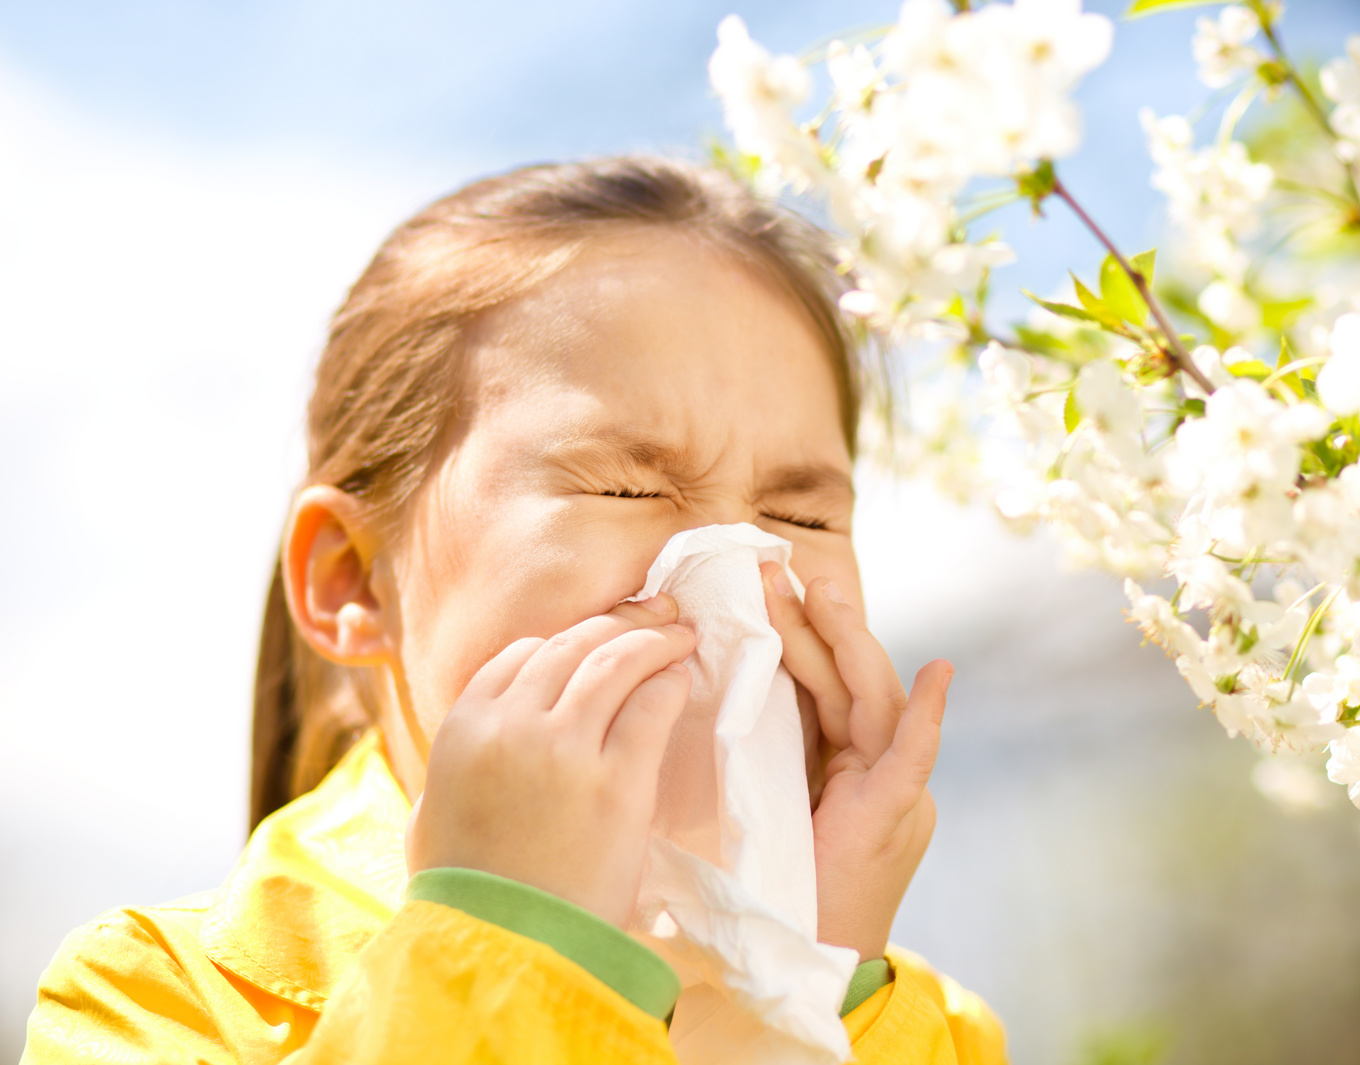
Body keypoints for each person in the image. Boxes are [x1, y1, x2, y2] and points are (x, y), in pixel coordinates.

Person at [24, 156, 1005, 1064]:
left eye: (799, 514)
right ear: (354, 584)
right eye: (625, 490)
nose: (735, 578)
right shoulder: (148, 999)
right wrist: (511, 944)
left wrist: (810, 986)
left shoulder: (934, 1031)